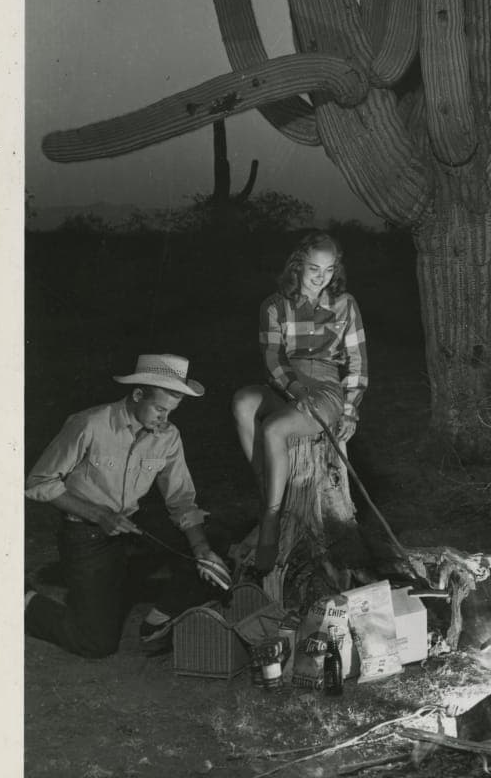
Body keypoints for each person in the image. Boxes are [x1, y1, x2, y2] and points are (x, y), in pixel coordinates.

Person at [25, 354, 230, 658]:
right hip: (86, 534)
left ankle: (156, 622)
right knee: (96, 643)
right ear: (137, 395)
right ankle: (24, 601)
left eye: (171, 412)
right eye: (160, 409)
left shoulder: (168, 436)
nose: (165, 419)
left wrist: (202, 550)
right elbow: (38, 483)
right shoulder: (90, 423)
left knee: (213, 540)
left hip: (130, 526)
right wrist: (99, 514)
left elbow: (182, 500)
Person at [232, 231, 368, 575]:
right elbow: (273, 360)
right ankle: (267, 489)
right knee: (243, 402)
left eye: (328, 269)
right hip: (287, 385)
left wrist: (350, 409)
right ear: (297, 267)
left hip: (325, 387)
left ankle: (272, 517)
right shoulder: (275, 305)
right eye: (313, 269)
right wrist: (295, 391)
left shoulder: (345, 304)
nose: (321, 277)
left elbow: (357, 360)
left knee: (276, 428)